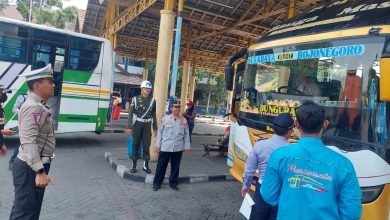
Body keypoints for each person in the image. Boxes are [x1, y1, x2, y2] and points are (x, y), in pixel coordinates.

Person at [260, 101, 362, 220]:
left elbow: (268, 195)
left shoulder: (279, 156)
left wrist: (291, 205)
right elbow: (352, 213)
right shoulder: (344, 165)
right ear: (325, 124)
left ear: (297, 124)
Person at [9, 64, 56, 220]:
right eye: (49, 81)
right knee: (25, 212)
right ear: (37, 85)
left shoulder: (40, 105)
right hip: (30, 168)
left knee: (30, 210)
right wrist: (40, 171)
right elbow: (29, 141)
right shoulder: (33, 107)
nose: (53, 84)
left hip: (34, 165)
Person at [241, 113, 294, 220]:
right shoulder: (292, 150)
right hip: (282, 191)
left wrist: (245, 186)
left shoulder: (260, 145)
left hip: (262, 189)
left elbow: (249, 170)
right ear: (289, 131)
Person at [153, 100, 190, 191]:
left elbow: (186, 134)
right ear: (171, 108)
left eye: (178, 107)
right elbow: (160, 133)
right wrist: (158, 145)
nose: (177, 109)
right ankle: (157, 183)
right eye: (175, 107)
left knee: (175, 167)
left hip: (178, 147)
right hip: (165, 147)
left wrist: (186, 147)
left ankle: (173, 183)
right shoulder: (165, 119)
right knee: (161, 166)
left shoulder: (183, 120)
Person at [126, 80, 157, 174]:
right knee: (135, 144)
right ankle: (134, 165)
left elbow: (153, 114)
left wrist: (155, 127)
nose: (147, 90)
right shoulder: (135, 99)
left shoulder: (153, 101)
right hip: (137, 125)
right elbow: (131, 114)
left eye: (149, 89)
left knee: (147, 145)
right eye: (145, 88)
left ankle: (145, 165)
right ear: (141, 89)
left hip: (147, 125)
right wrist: (129, 127)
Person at [8, 92, 29, 170]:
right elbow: (14, 109)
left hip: (34, 123)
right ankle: (12, 160)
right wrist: (25, 113)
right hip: (24, 122)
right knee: (23, 142)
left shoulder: (39, 97)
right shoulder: (23, 96)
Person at [0, 86, 17, 157]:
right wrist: (2, 132)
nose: (4, 96)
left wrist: (2, 144)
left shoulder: (1, 110)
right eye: (1, 94)